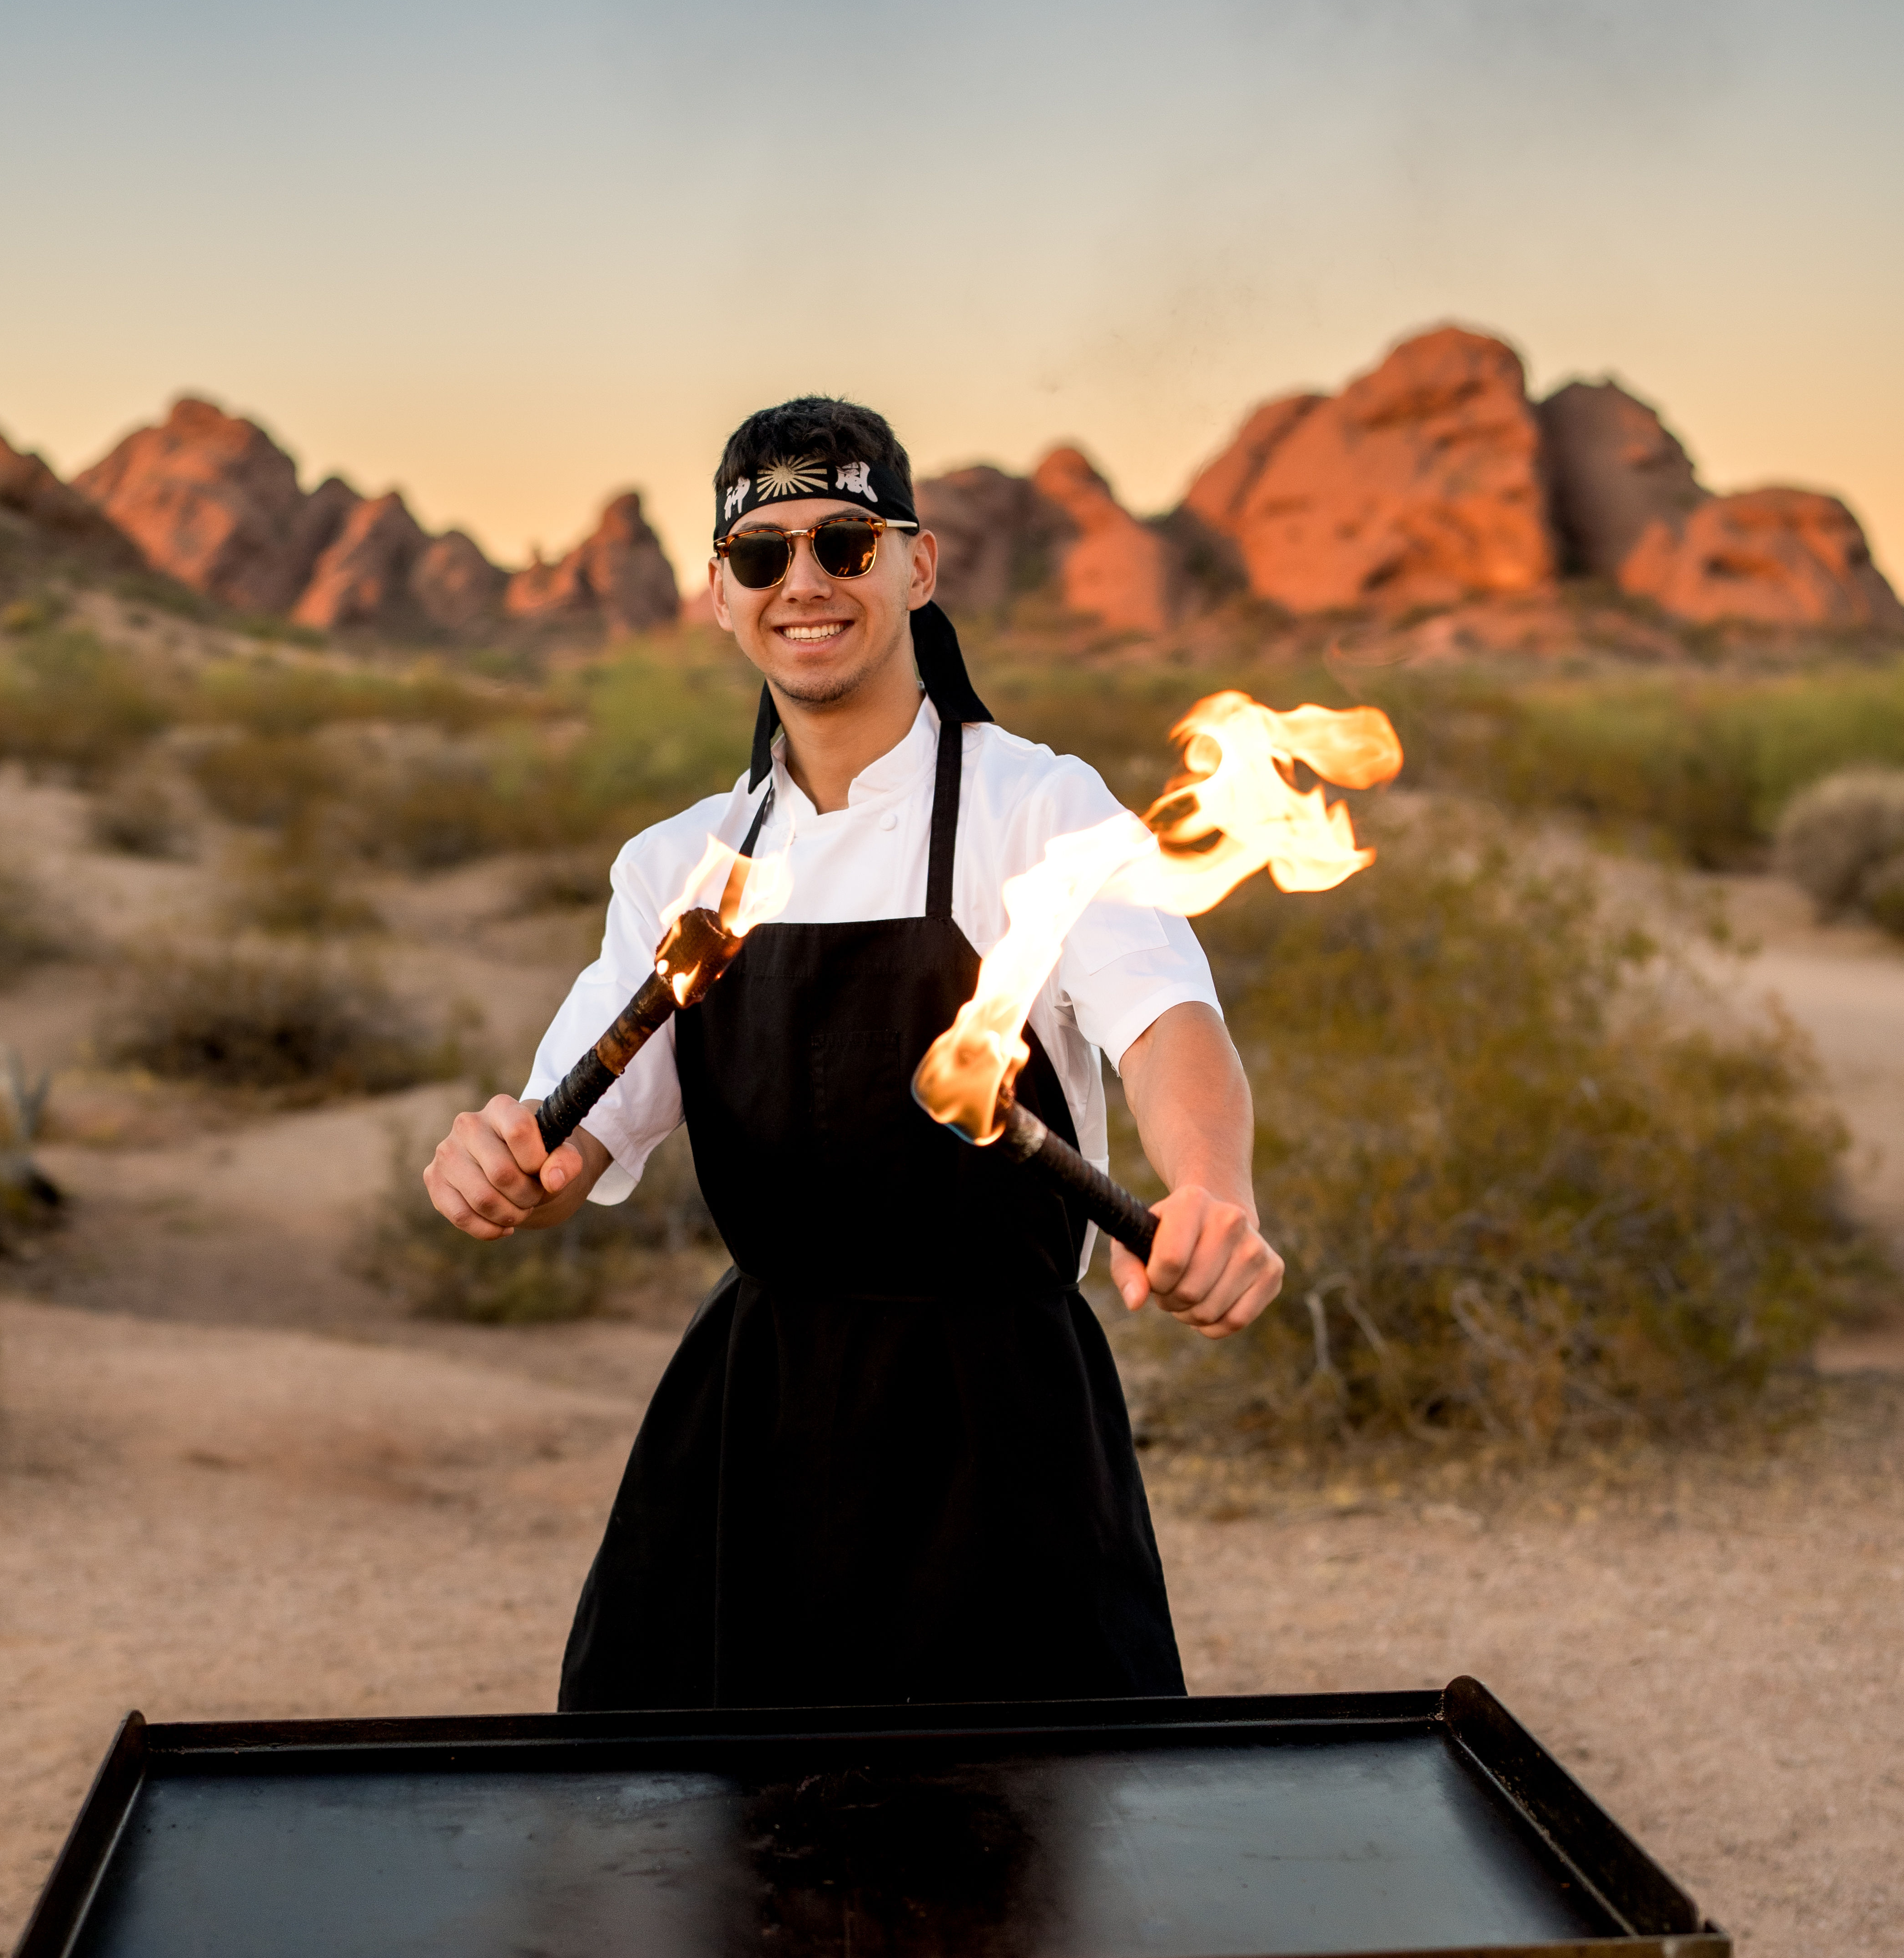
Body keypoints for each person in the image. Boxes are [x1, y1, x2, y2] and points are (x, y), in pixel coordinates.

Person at [423, 397, 1282, 1710]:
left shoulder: (1036, 805)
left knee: (1031, 1857)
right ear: (719, 593)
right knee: (697, 1860)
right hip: (754, 1429)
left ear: (915, 564)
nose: (805, 582)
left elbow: (1168, 1020)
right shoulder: (677, 866)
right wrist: (502, 1163)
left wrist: (1210, 1187)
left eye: (846, 541)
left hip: (999, 1426)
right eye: (762, 556)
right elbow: (569, 1132)